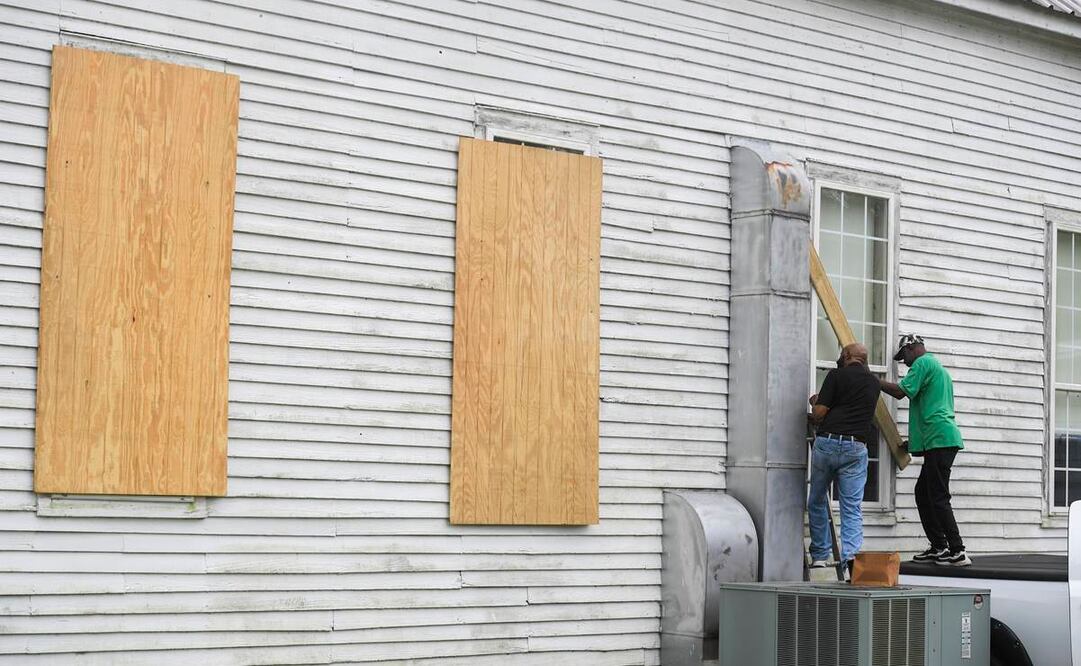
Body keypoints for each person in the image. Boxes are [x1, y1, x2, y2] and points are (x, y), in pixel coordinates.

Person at [879, 334, 970, 567]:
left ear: (912, 348)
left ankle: (957, 549)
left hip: (940, 438)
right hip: (939, 438)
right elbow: (932, 409)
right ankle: (939, 546)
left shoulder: (923, 363)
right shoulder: (938, 370)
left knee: (938, 495)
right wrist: (915, 443)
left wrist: (872, 381)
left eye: (904, 357)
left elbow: (901, 392)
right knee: (923, 492)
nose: (905, 363)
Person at [807, 342, 880, 575]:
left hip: (828, 443)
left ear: (847, 356)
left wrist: (815, 402)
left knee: (817, 499)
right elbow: (853, 404)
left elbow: (819, 415)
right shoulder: (874, 383)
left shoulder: (836, 375)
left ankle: (820, 555)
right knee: (851, 508)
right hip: (856, 447)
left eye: (841, 353)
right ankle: (851, 561)